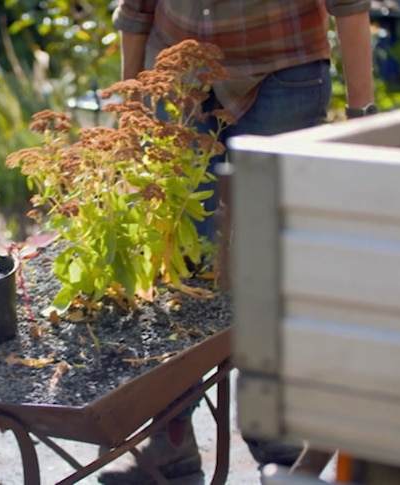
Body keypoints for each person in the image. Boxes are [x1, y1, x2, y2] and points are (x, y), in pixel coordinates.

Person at [98, 0, 376, 483]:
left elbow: (350, 7)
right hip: (177, 78)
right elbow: (138, 9)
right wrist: (133, 102)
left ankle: (276, 435)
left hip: (282, 78)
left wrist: (361, 115)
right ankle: (171, 445)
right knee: (179, 262)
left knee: (263, 260)